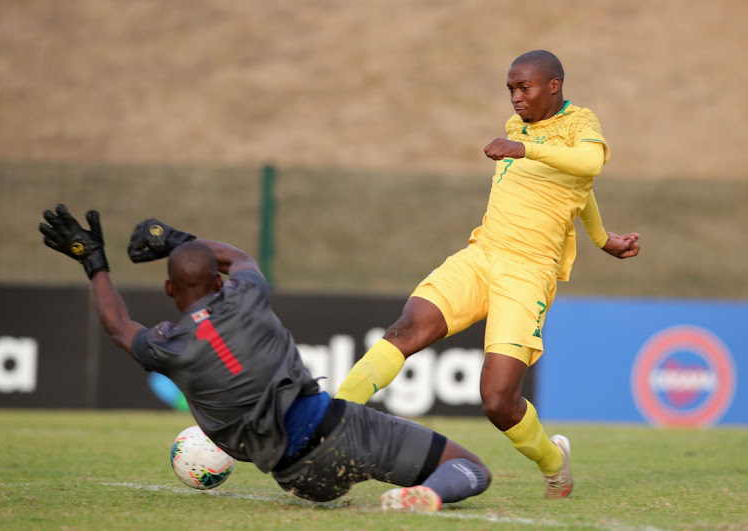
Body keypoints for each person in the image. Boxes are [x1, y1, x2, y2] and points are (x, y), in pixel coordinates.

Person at [38, 204, 491, 513]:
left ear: (169, 290)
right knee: (470, 468)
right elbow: (238, 259)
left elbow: (118, 324)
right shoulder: (246, 295)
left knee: (307, 468)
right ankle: (428, 495)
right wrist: (177, 241)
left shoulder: (167, 346)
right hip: (342, 432)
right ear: (217, 283)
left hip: (296, 477)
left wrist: (93, 260)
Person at [333, 50, 641, 499]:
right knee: (408, 328)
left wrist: (528, 154)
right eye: (511, 90)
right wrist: (600, 237)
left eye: (525, 88)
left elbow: (588, 169)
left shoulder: (579, 123)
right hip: (482, 254)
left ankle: (554, 462)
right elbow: (576, 186)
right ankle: (329, 424)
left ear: (553, 86)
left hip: (528, 273)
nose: (516, 98)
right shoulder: (518, 125)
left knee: (498, 402)